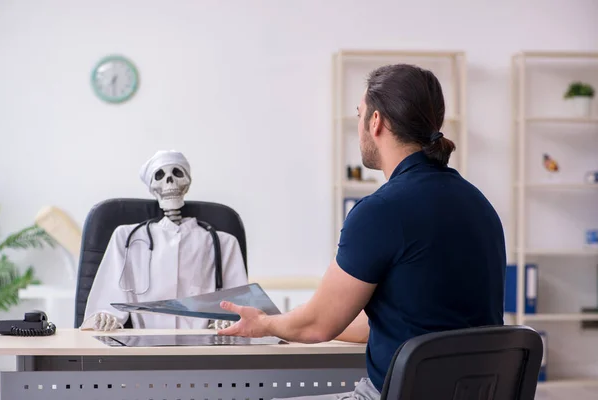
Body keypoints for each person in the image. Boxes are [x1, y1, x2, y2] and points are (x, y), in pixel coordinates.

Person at [217, 64, 506, 400]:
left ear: (375, 121)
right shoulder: (478, 204)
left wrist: (264, 324)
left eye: (359, 115)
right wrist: (288, 324)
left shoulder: (380, 211)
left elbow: (318, 325)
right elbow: (412, 322)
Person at [81, 150, 248, 331]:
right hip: (145, 348)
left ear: (187, 182)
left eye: (177, 174)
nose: (169, 181)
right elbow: (104, 307)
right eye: (160, 176)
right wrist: (105, 317)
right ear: (152, 187)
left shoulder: (224, 243)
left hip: (203, 348)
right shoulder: (127, 237)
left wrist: (228, 320)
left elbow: (242, 313)